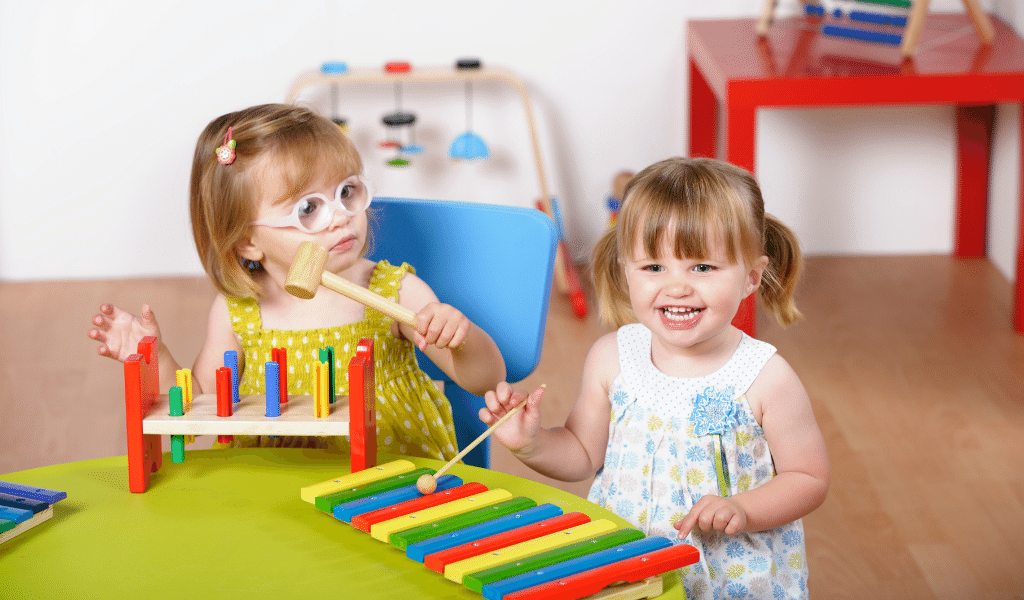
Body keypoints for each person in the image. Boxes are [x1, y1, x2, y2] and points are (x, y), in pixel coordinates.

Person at [481, 157, 830, 599]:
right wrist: (530, 443)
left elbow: (808, 477)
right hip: (627, 570)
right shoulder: (613, 358)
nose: (677, 286)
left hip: (729, 581)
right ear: (626, 270)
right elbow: (583, 454)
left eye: (702, 267)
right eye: (653, 268)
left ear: (751, 277)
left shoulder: (765, 376)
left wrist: (744, 508)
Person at [88, 103, 506, 460]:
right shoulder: (239, 311)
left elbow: (486, 379)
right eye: (309, 208)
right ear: (247, 242)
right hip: (273, 489)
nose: (342, 216)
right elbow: (198, 410)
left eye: (347, 192)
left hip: (387, 480)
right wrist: (154, 356)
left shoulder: (393, 291)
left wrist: (460, 337)